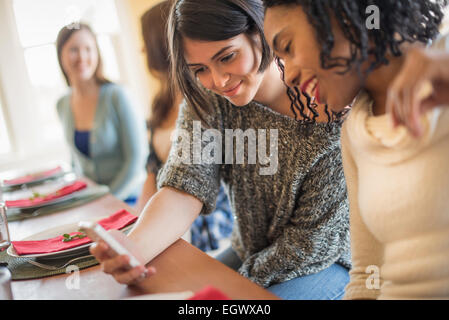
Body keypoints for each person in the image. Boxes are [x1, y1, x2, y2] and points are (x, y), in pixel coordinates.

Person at [91, 0, 351, 300]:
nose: (218, 81)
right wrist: (133, 249)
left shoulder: (328, 104)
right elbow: (184, 186)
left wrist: (230, 285)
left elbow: (308, 245)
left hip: (328, 261)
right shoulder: (210, 98)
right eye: (199, 69)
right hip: (254, 251)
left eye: (227, 56)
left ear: (261, 29)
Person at [263, 0, 449, 299]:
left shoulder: (444, 64)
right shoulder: (355, 132)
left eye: (288, 46)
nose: (290, 75)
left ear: (340, 13)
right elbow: (368, 274)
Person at [135, 1, 234, 252]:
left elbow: (194, 183)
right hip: (166, 214)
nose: (142, 50)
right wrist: (135, 223)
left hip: (207, 221)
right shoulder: (160, 103)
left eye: (145, 40)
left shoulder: (209, 96)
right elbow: (152, 171)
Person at [55, 23, 148, 205]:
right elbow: (75, 162)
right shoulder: (62, 104)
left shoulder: (117, 95)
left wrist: (106, 200)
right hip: (90, 201)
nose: (82, 57)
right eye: (74, 50)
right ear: (61, 55)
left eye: (88, 49)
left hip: (129, 198)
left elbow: (137, 161)